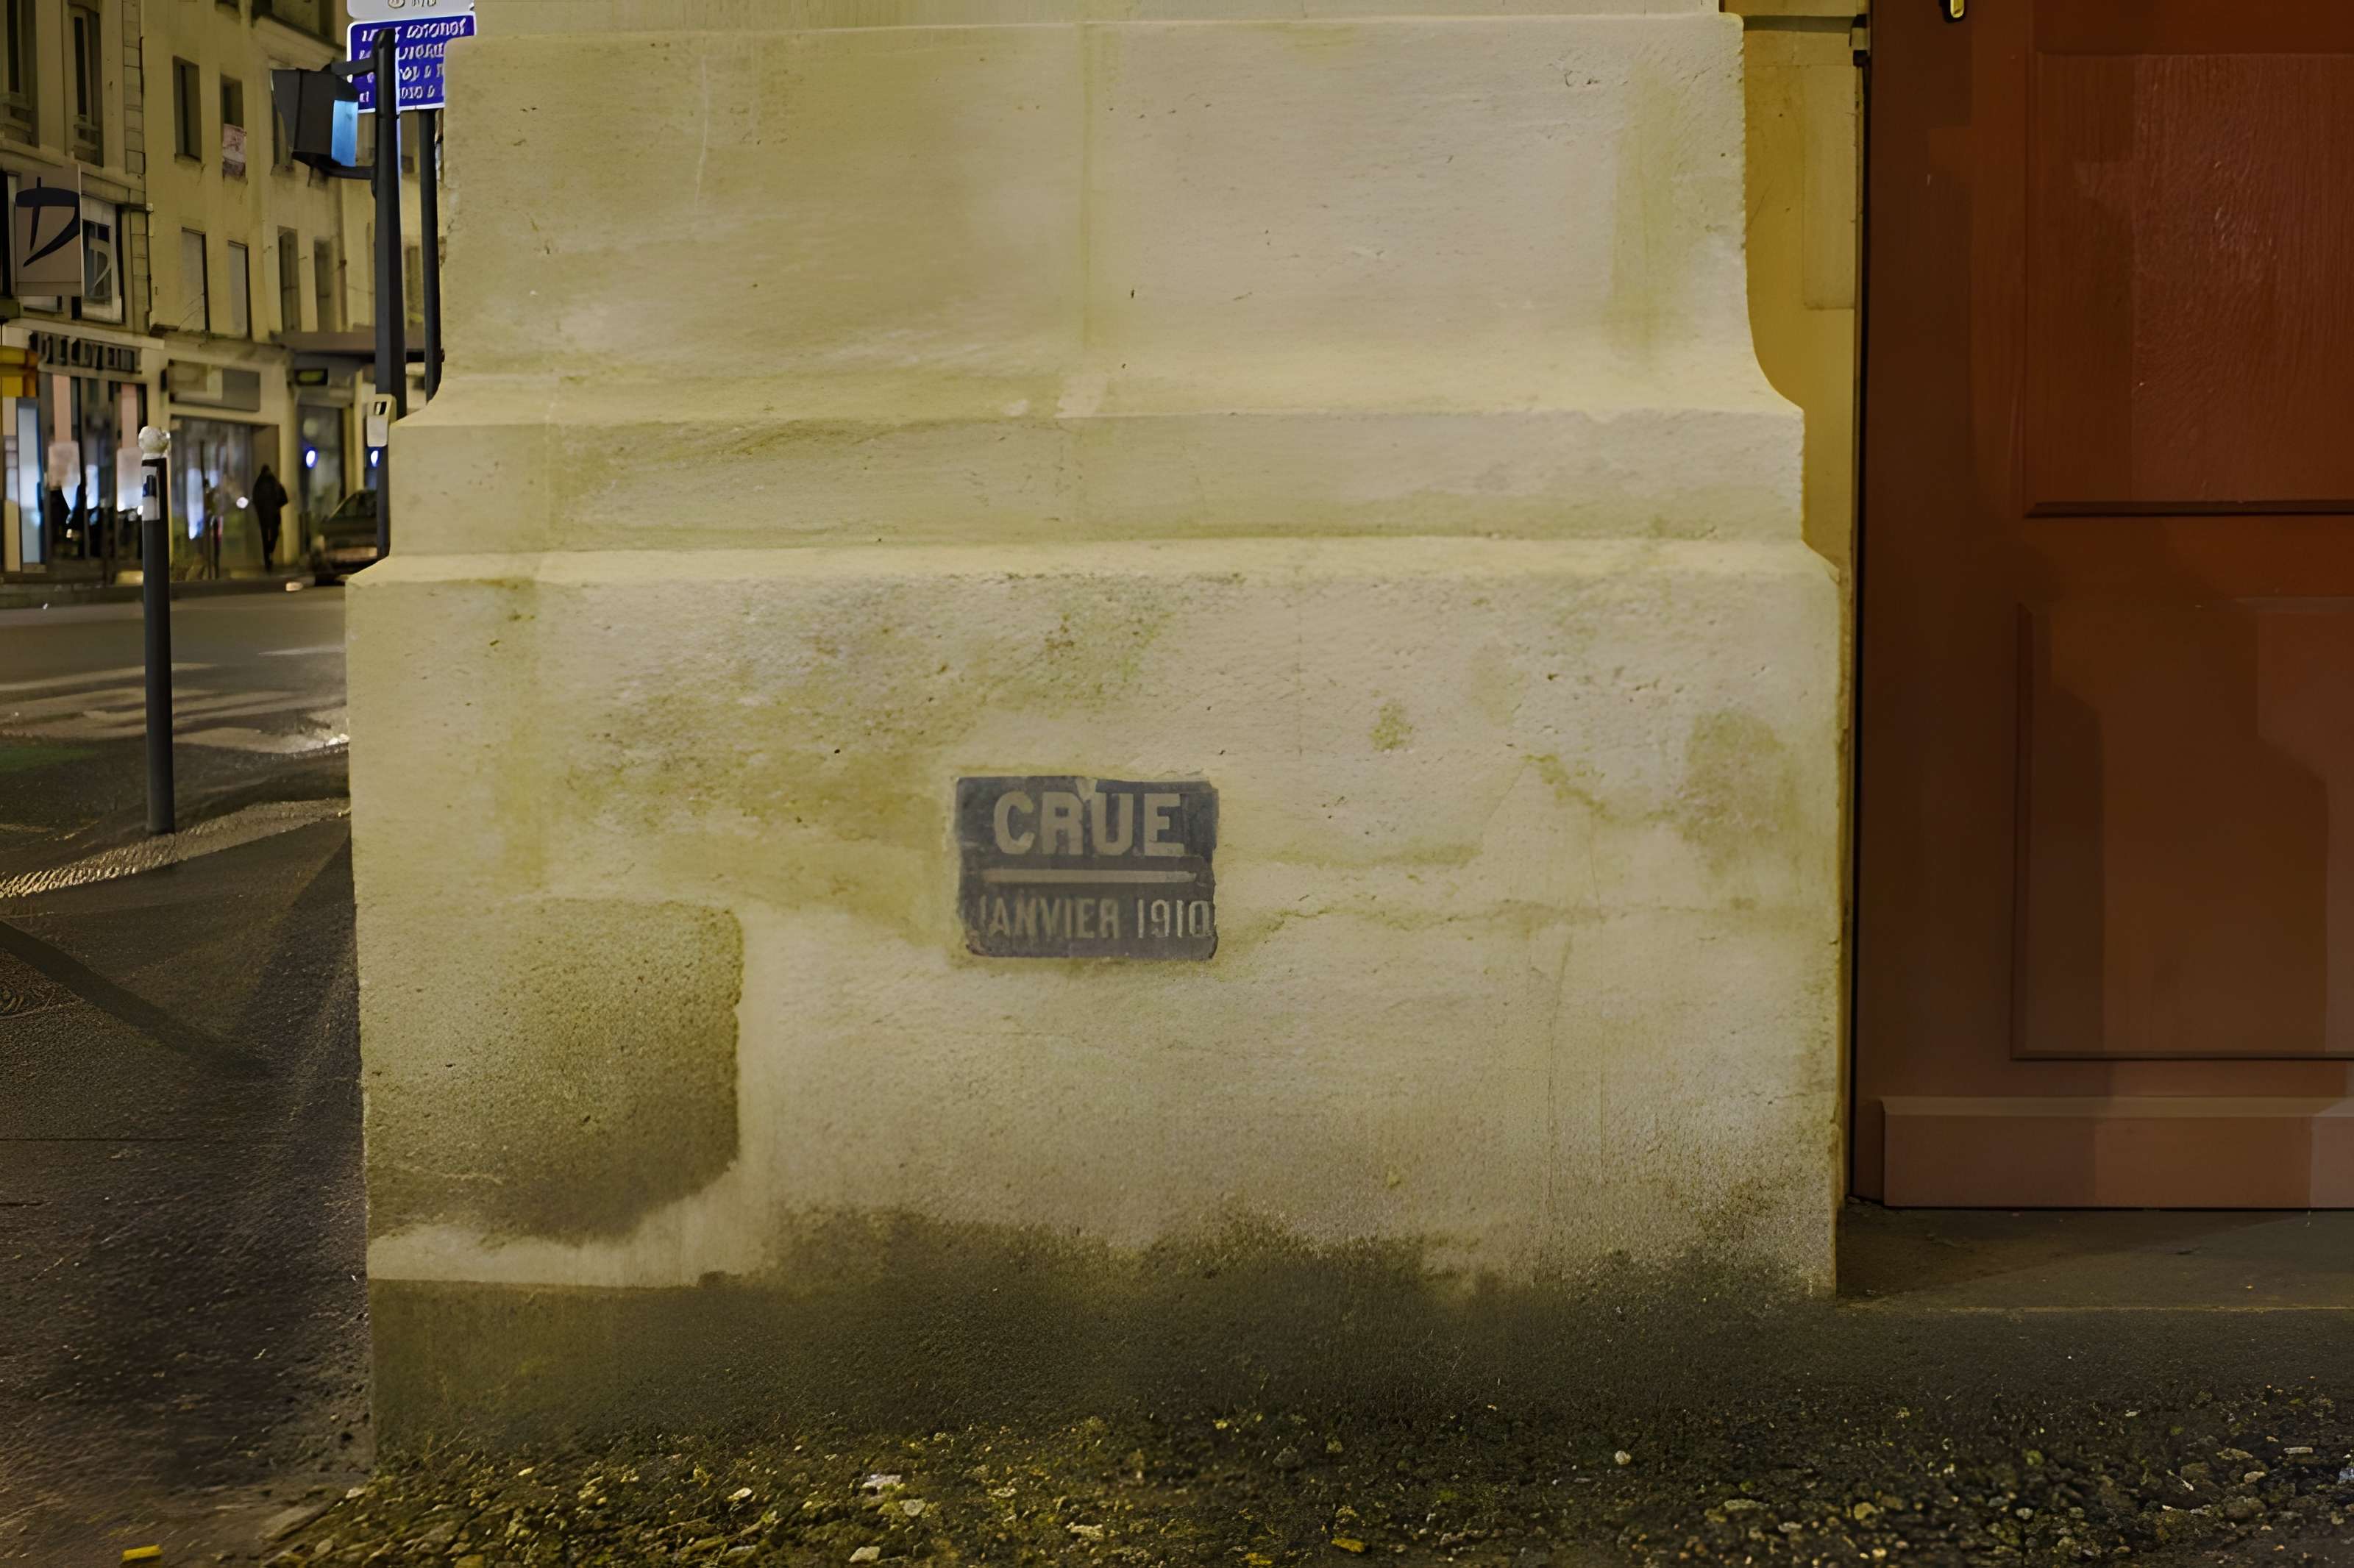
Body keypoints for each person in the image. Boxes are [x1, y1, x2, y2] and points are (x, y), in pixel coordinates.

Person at [252, 464, 288, 574]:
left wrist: (260, 510)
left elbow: (255, 499)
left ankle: (268, 559)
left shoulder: (259, 484)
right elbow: (284, 498)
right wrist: (277, 506)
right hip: (273, 515)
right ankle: (269, 553)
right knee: (274, 535)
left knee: (265, 539)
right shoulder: (274, 482)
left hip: (264, 516)